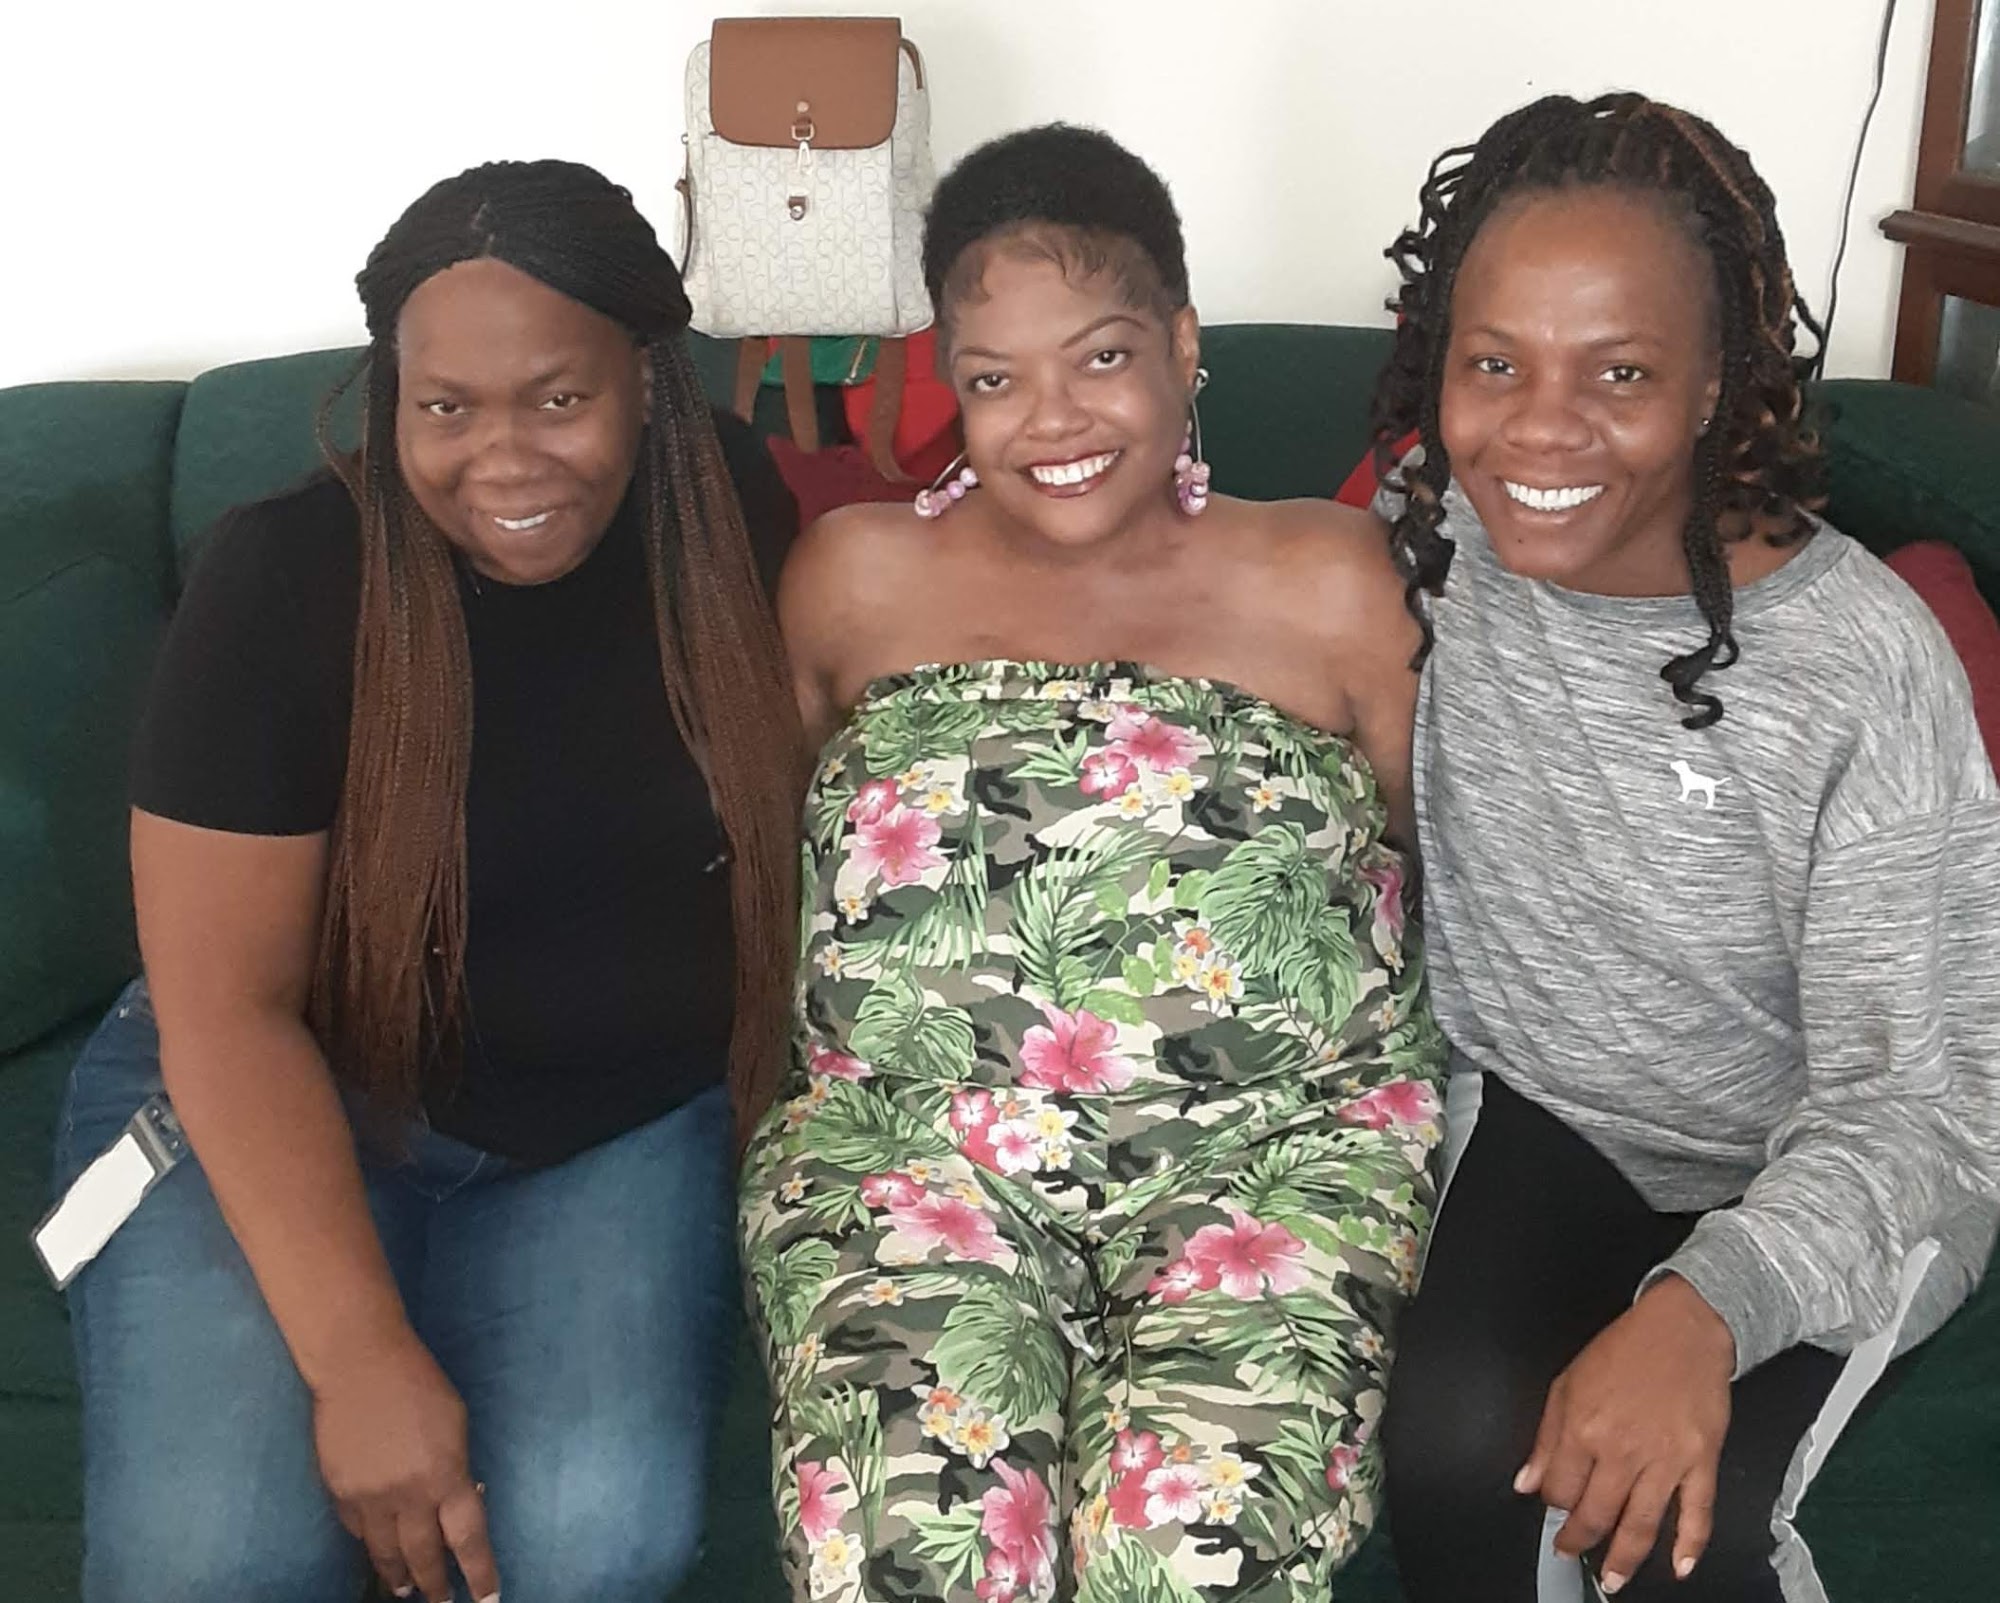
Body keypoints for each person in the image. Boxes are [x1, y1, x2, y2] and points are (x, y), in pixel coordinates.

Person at [51, 159, 804, 1603]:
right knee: (218, 1561)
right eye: (445, 408)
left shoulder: (732, 517)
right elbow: (224, 1008)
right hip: (284, 1079)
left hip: (615, 1122)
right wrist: (361, 1364)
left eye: (558, 399)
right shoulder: (282, 580)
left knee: (593, 1545)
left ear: (648, 383)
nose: (501, 461)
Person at [738, 123, 1446, 1603]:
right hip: (911, 1163)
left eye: (1102, 358)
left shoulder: (1331, 579)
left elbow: (1431, 861)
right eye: (995, 379)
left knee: (1191, 1557)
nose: (1050, 420)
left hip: (1276, 1160)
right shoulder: (853, 577)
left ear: (1184, 347)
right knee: (910, 1558)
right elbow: (775, 855)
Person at [1370, 93, 2000, 1602]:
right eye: (1495, 363)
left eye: (1623, 372)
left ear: (1718, 381)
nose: (1540, 429)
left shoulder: (1859, 664)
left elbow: (1919, 1104)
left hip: (1840, 1157)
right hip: (1549, 1118)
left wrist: (1702, 1313)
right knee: (1454, 1463)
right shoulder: (1433, 543)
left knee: (1675, 1547)